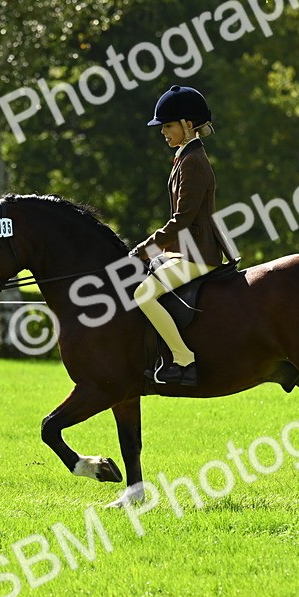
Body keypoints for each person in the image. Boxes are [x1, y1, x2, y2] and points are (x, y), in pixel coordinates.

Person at [130, 85, 233, 387]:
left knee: (143, 294)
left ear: (188, 125)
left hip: (197, 253)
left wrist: (145, 249)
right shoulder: (184, 156)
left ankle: (184, 359)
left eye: (168, 125)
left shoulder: (194, 162)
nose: (163, 132)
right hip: (186, 249)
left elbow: (182, 219)